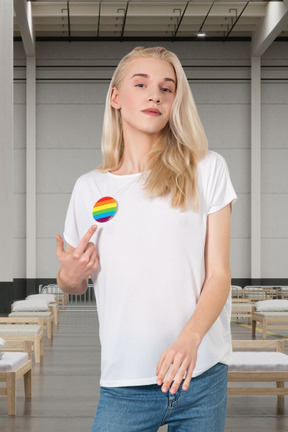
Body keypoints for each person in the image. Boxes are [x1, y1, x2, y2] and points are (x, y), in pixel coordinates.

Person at [56, 46, 237, 432]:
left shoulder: (207, 169)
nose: (155, 94)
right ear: (116, 98)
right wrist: (70, 274)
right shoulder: (91, 188)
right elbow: (72, 284)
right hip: (126, 382)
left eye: (166, 88)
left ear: (175, 102)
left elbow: (219, 273)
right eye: (141, 84)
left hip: (200, 374)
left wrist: (190, 339)